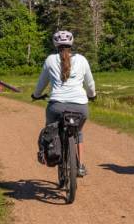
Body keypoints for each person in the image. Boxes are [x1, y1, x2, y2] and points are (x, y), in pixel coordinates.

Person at [32, 30, 97, 176]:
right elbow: (90, 83)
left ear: (55, 44)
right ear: (71, 43)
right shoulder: (82, 60)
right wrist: (92, 95)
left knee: (50, 130)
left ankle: (47, 153)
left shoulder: (50, 60)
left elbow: (41, 83)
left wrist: (36, 95)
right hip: (80, 107)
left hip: (57, 106)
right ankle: (80, 166)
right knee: (77, 132)